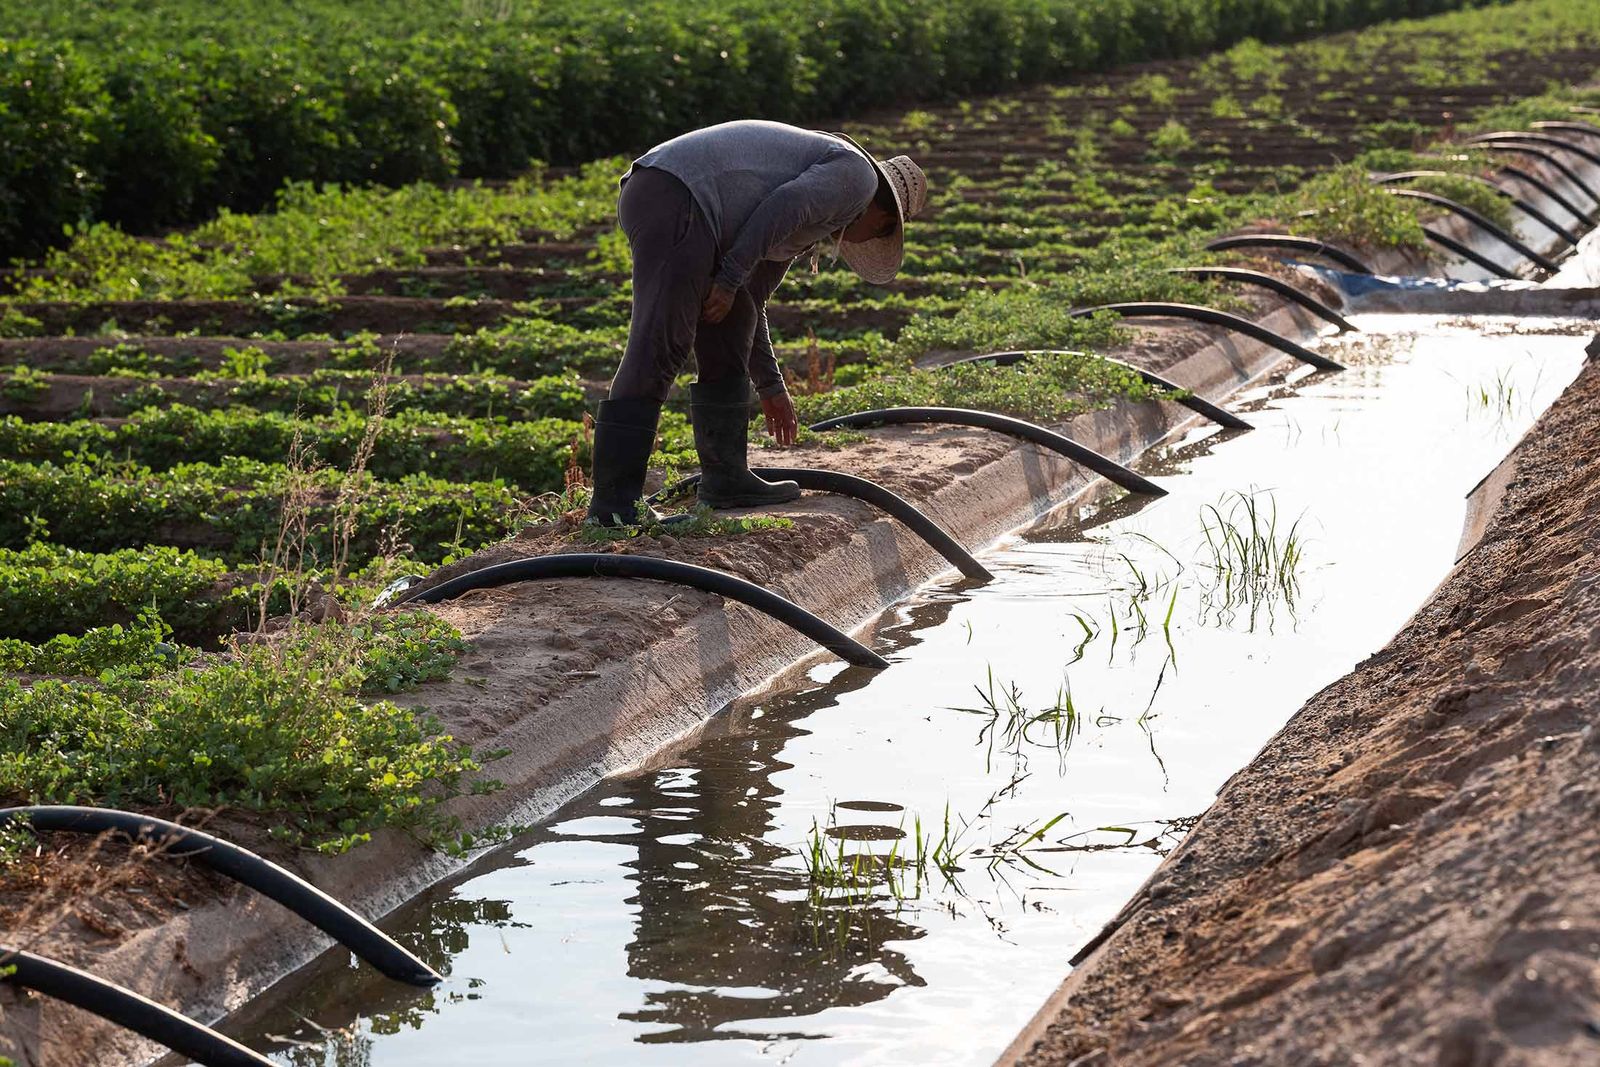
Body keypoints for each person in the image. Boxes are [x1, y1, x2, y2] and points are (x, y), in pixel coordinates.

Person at [585, 119, 929, 526]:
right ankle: (612, 511)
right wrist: (728, 278)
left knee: (732, 322)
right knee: (661, 344)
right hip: (676, 194)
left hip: (683, 202)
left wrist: (770, 386)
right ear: (882, 215)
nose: (870, 240)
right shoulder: (857, 177)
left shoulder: (809, 222)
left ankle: (725, 481)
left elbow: (750, 299)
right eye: (882, 232)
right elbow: (784, 207)